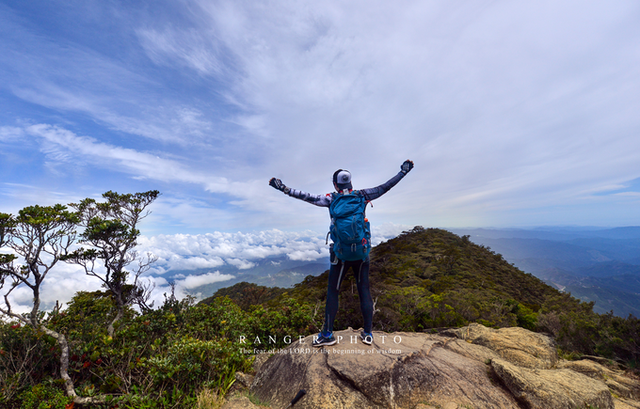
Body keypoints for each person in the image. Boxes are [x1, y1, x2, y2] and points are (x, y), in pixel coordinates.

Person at [269, 160, 414, 346]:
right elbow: (386, 186)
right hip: (361, 254)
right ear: (350, 183)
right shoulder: (363, 195)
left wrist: (283, 188)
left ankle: (327, 335)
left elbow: (306, 196)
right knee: (364, 291)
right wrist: (403, 172)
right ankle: (368, 333)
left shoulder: (331, 199)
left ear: (335, 185)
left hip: (340, 255)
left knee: (333, 291)